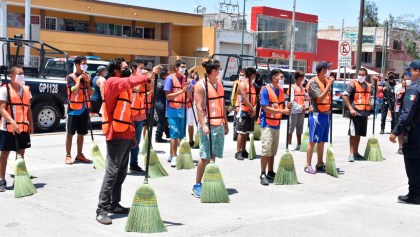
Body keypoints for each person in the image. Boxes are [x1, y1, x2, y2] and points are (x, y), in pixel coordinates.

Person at [96, 58, 160, 224]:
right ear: (117, 71)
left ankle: (114, 204)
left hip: (125, 135)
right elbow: (132, 81)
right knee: (112, 173)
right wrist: (150, 75)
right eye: (124, 68)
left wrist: (132, 135)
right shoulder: (113, 82)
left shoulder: (124, 87)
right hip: (115, 136)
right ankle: (101, 209)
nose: (127, 70)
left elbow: (127, 113)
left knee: (121, 173)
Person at [191, 59, 229, 198]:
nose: (220, 72)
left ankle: (209, 180)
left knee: (213, 156)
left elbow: (222, 104)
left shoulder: (219, 84)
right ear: (213, 71)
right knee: (205, 156)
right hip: (208, 125)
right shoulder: (201, 86)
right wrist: (203, 125)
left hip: (218, 123)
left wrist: (225, 123)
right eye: (219, 69)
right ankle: (197, 184)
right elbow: (199, 107)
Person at [389, 60, 420, 205]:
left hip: (415, 132)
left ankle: (414, 195)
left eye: (410, 71)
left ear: (417, 71)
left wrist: (395, 132)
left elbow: (407, 113)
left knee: (413, 162)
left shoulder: (414, 88)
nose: (408, 74)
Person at [0, 65, 33, 192]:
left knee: (21, 153)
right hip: (7, 127)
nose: (22, 76)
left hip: (23, 127)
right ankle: (1, 179)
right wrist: (12, 122)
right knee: (4, 154)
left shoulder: (26, 89)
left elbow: (28, 108)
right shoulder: (5, 90)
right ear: (11, 76)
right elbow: (2, 109)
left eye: (23, 73)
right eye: (19, 73)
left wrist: (31, 123)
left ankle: (19, 177)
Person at [258, 69, 290, 185]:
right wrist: (281, 110)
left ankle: (270, 172)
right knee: (266, 150)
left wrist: (288, 106)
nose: (283, 79)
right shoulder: (265, 90)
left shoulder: (281, 90)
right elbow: (265, 108)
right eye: (281, 77)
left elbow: (282, 104)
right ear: (274, 78)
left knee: (272, 151)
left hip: (276, 123)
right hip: (267, 124)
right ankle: (262, 173)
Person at [305, 61, 335, 174]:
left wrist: (328, 84)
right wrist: (329, 85)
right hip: (316, 115)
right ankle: (308, 165)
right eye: (327, 69)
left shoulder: (326, 81)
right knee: (313, 140)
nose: (328, 72)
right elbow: (320, 98)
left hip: (326, 114)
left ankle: (320, 163)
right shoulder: (313, 82)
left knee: (322, 140)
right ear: (322, 70)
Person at [342, 68, 377, 162]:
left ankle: (356, 153)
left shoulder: (369, 86)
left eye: (362, 74)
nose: (360, 76)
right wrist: (350, 108)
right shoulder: (353, 84)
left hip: (364, 112)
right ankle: (351, 154)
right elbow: (344, 95)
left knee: (359, 134)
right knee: (353, 133)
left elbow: (374, 95)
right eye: (359, 74)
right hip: (355, 112)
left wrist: (376, 83)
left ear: (366, 75)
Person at [65, 56, 94, 165]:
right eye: (83, 63)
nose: (85, 65)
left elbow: (91, 93)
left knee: (81, 133)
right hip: (73, 109)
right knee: (70, 133)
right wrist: (79, 80)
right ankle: (68, 155)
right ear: (76, 65)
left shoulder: (88, 77)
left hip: (84, 109)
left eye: (86, 63)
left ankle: (79, 154)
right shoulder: (70, 77)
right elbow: (75, 91)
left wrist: (86, 82)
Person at [165, 60, 192, 167]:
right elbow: (167, 96)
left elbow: (189, 97)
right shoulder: (169, 78)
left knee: (180, 135)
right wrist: (181, 91)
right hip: (172, 110)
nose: (183, 69)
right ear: (176, 68)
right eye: (182, 67)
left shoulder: (186, 80)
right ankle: (174, 156)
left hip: (183, 110)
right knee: (174, 134)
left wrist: (187, 89)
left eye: (185, 67)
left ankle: (172, 154)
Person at [128, 66, 151, 174]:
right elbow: (136, 89)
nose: (143, 70)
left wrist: (151, 77)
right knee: (127, 141)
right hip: (130, 115)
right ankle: (123, 163)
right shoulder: (131, 79)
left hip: (140, 114)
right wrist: (142, 77)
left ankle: (133, 163)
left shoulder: (143, 80)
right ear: (134, 69)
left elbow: (150, 89)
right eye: (140, 68)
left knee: (137, 141)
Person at [235, 67, 257, 160]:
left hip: (250, 111)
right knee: (241, 132)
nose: (255, 76)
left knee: (245, 133)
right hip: (243, 110)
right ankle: (238, 151)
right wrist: (253, 109)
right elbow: (244, 99)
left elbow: (255, 99)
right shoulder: (242, 85)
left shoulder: (252, 86)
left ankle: (244, 150)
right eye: (254, 74)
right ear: (251, 75)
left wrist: (254, 108)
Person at [287, 70, 307, 151]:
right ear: (298, 78)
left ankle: (299, 144)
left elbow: (306, 96)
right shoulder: (292, 87)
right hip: (294, 111)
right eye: (302, 78)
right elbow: (291, 101)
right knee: (291, 128)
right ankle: (289, 143)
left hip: (301, 111)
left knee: (300, 129)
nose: (303, 79)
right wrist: (300, 108)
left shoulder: (302, 87)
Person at [394, 73, 411, 154]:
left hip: (409, 111)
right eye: (405, 79)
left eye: (408, 80)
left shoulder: (413, 87)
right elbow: (396, 91)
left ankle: (407, 146)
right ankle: (400, 147)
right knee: (400, 129)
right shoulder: (399, 86)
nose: (406, 81)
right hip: (399, 110)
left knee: (408, 130)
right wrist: (403, 86)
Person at [155, 68, 170, 142]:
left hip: (156, 102)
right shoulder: (165, 83)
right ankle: (158, 137)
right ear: (164, 75)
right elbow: (167, 94)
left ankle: (168, 133)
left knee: (164, 119)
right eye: (167, 74)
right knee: (162, 120)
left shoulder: (156, 81)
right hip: (162, 103)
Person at [231, 70, 245, 141]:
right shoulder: (236, 83)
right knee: (236, 121)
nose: (242, 76)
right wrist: (234, 105)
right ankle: (235, 135)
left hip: (245, 105)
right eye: (241, 75)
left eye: (243, 75)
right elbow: (234, 94)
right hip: (238, 104)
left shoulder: (246, 83)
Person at [186, 72, 197, 147]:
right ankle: (190, 140)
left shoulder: (192, 82)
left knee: (190, 124)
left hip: (190, 104)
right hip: (187, 104)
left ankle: (191, 140)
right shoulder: (193, 82)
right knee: (191, 124)